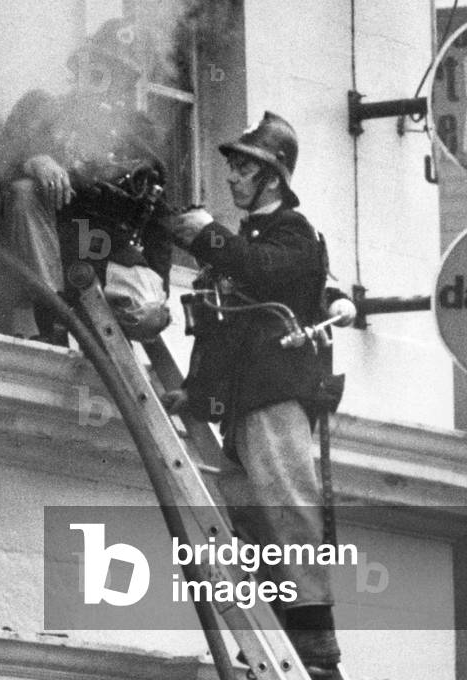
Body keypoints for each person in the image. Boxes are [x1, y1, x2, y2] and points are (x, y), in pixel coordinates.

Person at [164, 111, 355, 677]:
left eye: (243, 169)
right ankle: (284, 628)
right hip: (243, 407)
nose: (231, 179)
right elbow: (224, 333)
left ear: (272, 178)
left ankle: (315, 645)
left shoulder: (293, 233)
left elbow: (264, 275)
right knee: (252, 519)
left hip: (275, 398)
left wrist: (206, 234)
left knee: (289, 510)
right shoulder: (250, 240)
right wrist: (195, 399)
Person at [0, 18, 172, 346]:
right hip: (52, 245)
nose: (104, 80)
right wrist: (33, 161)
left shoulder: (140, 133)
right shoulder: (42, 109)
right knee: (24, 193)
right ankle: (54, 316)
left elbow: (160, 215)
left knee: (149, 310)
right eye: (97, 67)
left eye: (118, 74)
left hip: (105, 254)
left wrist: (160, 280)